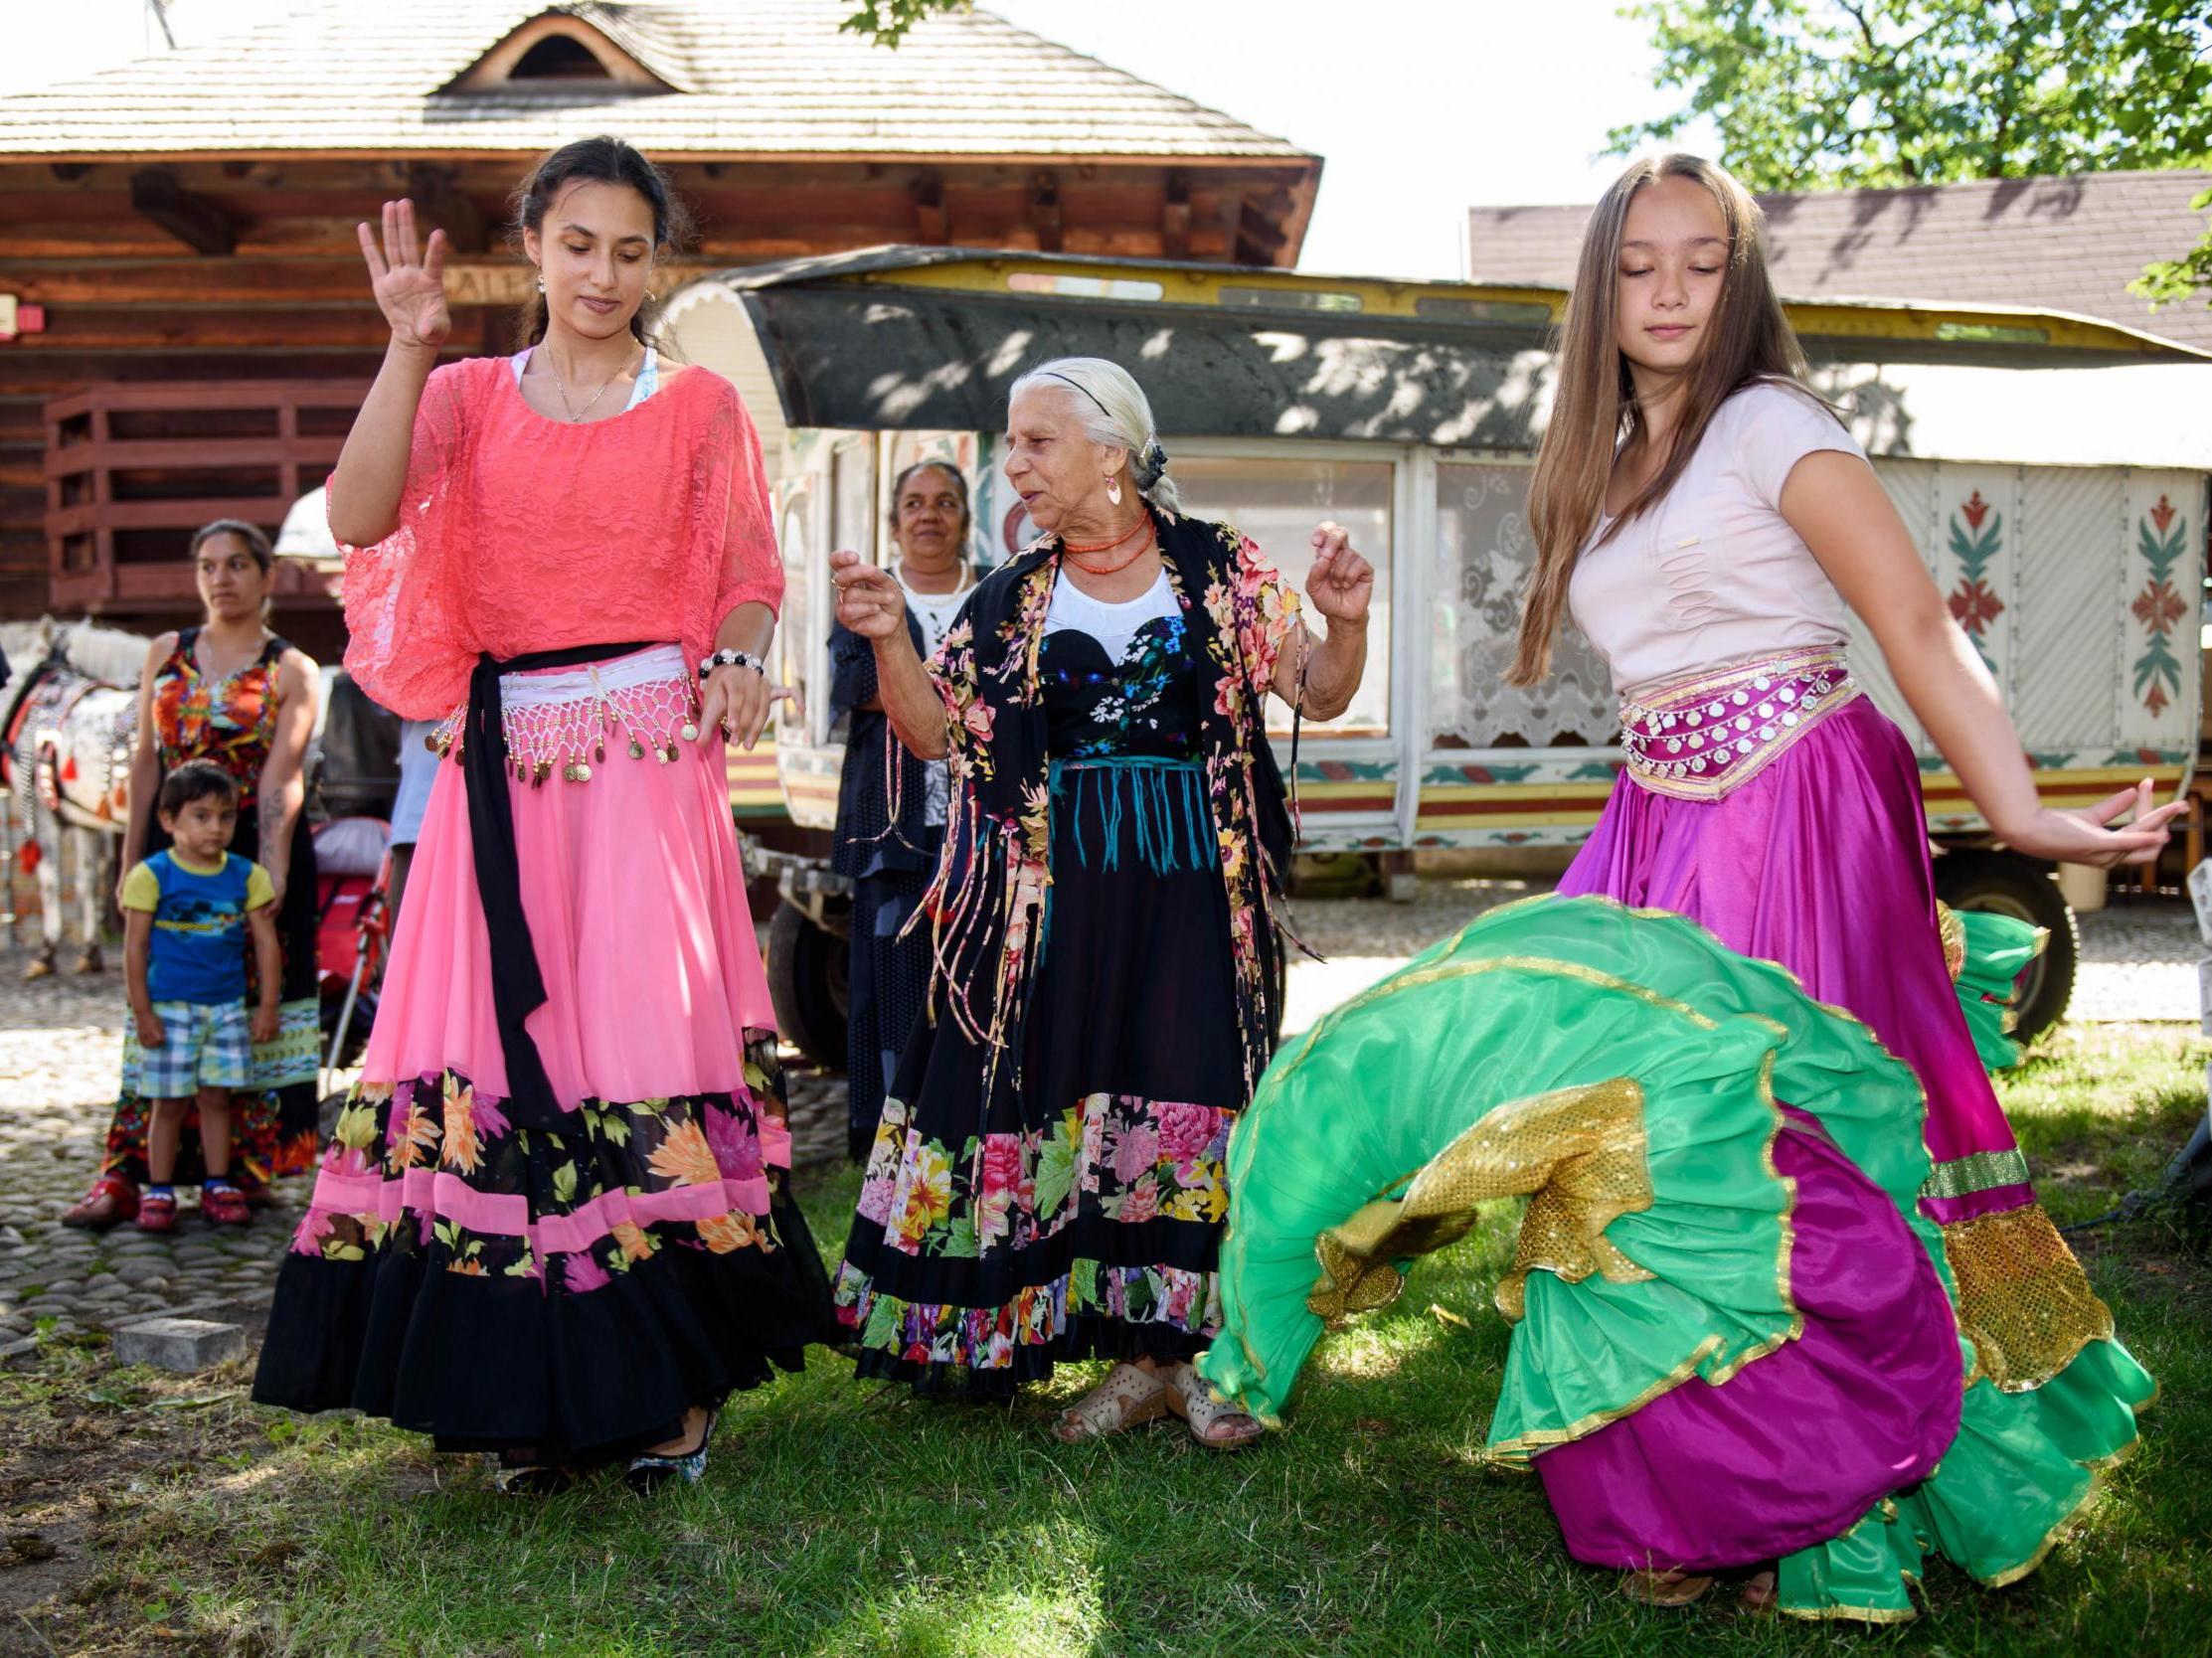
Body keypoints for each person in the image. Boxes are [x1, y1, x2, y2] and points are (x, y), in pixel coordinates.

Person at [1198, 154, 2170, 1622]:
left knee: (1777, 1143)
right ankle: (1689, 1489)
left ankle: (1836, 1508)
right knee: (1628, 1140)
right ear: (1600, 286)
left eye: (1701, 261)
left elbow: (1912, 619)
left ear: (1739, 278)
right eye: (1639, 263)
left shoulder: (1774, 424)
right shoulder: (1598, 455)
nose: (1667, 290)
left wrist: (2021, 806)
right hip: (1659, 811)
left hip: (1796, 798)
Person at [249, 137, 838, 1494]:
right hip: (497, 766)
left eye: (632, 250)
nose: (605, 273)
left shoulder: (698, 409)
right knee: (503, 1065)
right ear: (536, 248)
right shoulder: (459, 394)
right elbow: (357, 511)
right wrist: (404, 347)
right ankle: (532, 1394)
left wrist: (743, 652)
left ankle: (673, 1391)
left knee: (634, 1044)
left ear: (656, 262)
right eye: (579, 244)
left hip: (642, 760)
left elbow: (746, 573)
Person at [828, 356, 1374, 1445]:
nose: (1012, 463)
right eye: (1011, 443)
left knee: (1190, 1090)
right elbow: (936, 735)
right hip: (1053, 900)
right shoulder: (1011, 597)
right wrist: (891, 635)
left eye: (1035, 442)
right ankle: (1133, 1362)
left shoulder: (1217, 567)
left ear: (1111, 452)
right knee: (1082, 1099)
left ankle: (1200, 1359)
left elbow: (1316, 690)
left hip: (1194, 890)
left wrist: (1345, 620)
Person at [63, 519, 322, 1228]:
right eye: (208, 565)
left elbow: (281, 780)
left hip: (253, 857)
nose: (221, 578)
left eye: (238, 564)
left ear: (267, 578)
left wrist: (265, 880)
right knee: (160, 1006)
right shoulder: (163, 653)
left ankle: (243, 1168)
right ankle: (127, 1171)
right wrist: (128, 860)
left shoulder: (290, 668)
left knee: (249, 1011)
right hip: (167, 852)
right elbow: (145, 761)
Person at [829, 458, 976, 1160]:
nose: (929, 515)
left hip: (977, 832)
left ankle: (968, 1125)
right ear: (895, 522)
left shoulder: (997, 595)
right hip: (891, 829)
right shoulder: (868, 596)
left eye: (945, 503)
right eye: (914, 503)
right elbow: (855, 688)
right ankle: (889, 1140)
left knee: (974, 980)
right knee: (889, 987)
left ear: (964, 521)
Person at [119, 761, 282, 1232]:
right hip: (168, 1011)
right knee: (167, 1103)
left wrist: (267, 1006)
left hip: (227, 1009)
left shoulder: (247, 876)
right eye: (201, 816)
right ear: (169, 820)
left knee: (217, 1098)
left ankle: (218, 1182)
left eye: (226, 816)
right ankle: (160, 1189)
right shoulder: (151, 877)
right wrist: (143, 1012)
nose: (216, 827)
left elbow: (266, 943)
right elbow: (134, 948)